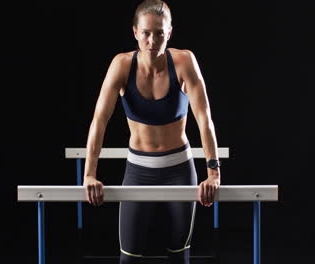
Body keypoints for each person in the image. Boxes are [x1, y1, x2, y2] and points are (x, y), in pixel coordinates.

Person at [82, 0, 221, 263]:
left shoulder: (183, 61)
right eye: (146, 32)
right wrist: (90, 174)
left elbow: (205, 120)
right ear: (135, 32)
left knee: (179, 256)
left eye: (159, 33)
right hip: (138, 170)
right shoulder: (121, 65)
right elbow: (99, 121)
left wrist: (213, 173)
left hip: (179, 169)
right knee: (129, 257)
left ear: (169, 32)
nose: (152, 39)